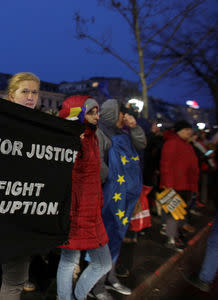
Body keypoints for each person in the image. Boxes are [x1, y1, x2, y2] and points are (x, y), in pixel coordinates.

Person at [56, 95, 112, 300]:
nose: (97, 116)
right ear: (78, 114)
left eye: (97, 111)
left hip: (91, 209)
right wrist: (69, 141)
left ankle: (78, 296)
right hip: (75, 210)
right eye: (91, 112)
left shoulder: (93, 136)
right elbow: (62, 172)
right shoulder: (73, 138)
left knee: (103, 263)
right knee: (69, 259)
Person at [90, 99, 146, 300]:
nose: (125, 118)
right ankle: (96, 286)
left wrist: (135, 127)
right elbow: (96, 167)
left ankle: (111, 277)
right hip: (105, 197)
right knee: (102, 241)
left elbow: (141, 144)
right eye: (122, 115)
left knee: (116, 237)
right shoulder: (98, 133)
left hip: (123, 198)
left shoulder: (124, 134)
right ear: (114, 114)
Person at [0, 72, 40, 300]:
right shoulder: (1, 122)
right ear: (11, 95)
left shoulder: (41, 125)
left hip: (29, 208)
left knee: (16, 273)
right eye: (25, 91)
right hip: (8, 210)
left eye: (34, 92)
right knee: (13, 280)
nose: (30, 96)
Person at [160, 120, 199, 251]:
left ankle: (176, 235)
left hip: (185, 185)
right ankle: (171, 239)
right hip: (174, 185)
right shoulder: (172, 144)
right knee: (173, 214)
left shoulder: (187, 145)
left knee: (181, 213)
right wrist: (168, 185)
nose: (190, 132)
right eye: (187, 130)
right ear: (180, 131)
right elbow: (166, 165)